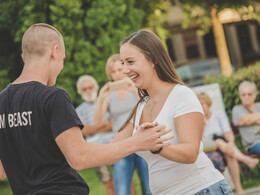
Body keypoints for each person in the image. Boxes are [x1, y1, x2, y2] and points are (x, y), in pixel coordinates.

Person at [0, 23, 172, 195]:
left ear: (24, 57)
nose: (61, 66)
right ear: (55, 51)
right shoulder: (52, 96)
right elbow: (79, 157)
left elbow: (2, 170)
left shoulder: (2, 101)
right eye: (63, 59)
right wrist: (137, 142)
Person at [116, 29, 233, 195]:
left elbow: (190, 152)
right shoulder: (140, 107)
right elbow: (112, 149)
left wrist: (156, 146)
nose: (125, 70)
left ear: (153, 59)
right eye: (123, 63)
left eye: (130, 61)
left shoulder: (181, 95)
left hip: (202, 189)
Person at [94, 54, 152, 195]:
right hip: (120, 145)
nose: (117, 74)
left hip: (142, 142)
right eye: (113, 71)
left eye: (120, 70)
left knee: (150, 189)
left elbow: (147, 108)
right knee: (122, 191)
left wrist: (133, 89)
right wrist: (101, 97)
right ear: (110, 74)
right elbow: (97, 120)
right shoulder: (109, 96)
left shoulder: (137, 86)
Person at [198, 93, 259, 195]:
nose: (200, 106)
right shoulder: (197, 120)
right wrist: (201, 124)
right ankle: (246, 160)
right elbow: (198, 139)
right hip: (209, 148)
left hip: (224, 146)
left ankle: (239, 190)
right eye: (198, 104)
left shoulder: (218, 114)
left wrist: (231, 143)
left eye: (202, 103)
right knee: (219, 142)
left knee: (229, 153)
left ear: (208, 103)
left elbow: (227, 131)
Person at [76, 75, 115, 195]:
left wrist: (92, 128)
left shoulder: (107, 102)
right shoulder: (78, 110)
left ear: (96, 87)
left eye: (90, 87)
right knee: (107, 181)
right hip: (95, 150)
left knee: (124, 177)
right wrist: (102, 125)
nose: (88, 91)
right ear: (80, 91)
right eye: (84, 89)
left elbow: (112, 125)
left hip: (113, 144)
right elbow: (84, 131)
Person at [232, 81, 260, 155]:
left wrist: (252, 119)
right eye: (243, 95)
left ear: (254, 95)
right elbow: (244, 120)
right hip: (252, 145)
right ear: (240, 96)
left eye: (249, 94)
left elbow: (248, 119)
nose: (246, 97)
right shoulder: (237, 109)